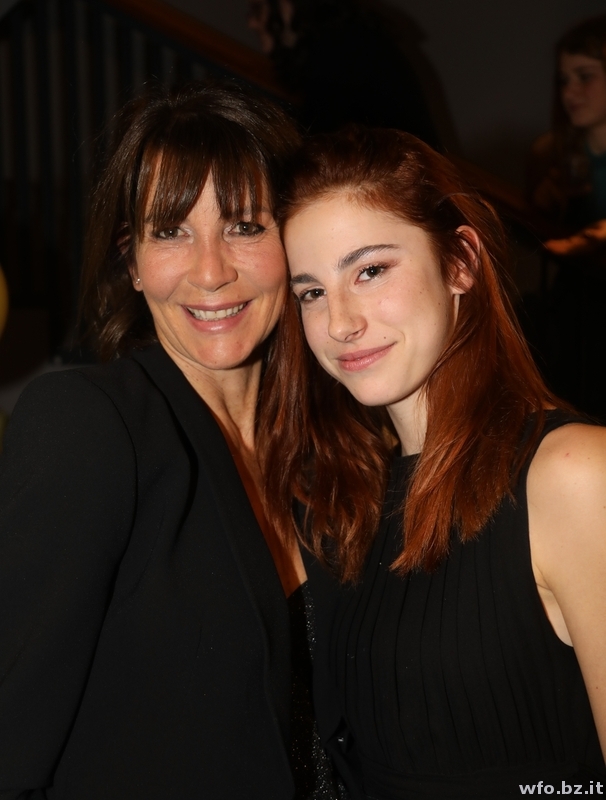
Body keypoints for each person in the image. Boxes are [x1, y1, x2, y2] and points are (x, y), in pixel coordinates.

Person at [0, 81, 341, 800]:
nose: (211, 271)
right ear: (131, 262)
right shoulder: (89, 428)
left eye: (244, 225)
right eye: (170, 231)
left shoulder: (336, 446)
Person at [259, 125, 606, 799]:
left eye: (370, 271)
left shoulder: (573, 474)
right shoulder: (352, 502)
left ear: (460, 262)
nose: (340, 322)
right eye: (311, 292)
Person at [528, 15, 606, 419]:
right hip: (577, 312)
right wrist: (543, 201)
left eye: (585, 77)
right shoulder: (552, 151)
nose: (570, 92)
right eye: (564, 80)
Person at [247, 0, 439, 147]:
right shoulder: (349, 44)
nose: (252, 24)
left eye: (258, 9)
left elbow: (317, 146)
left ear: (286, 6)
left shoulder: (340, 51)